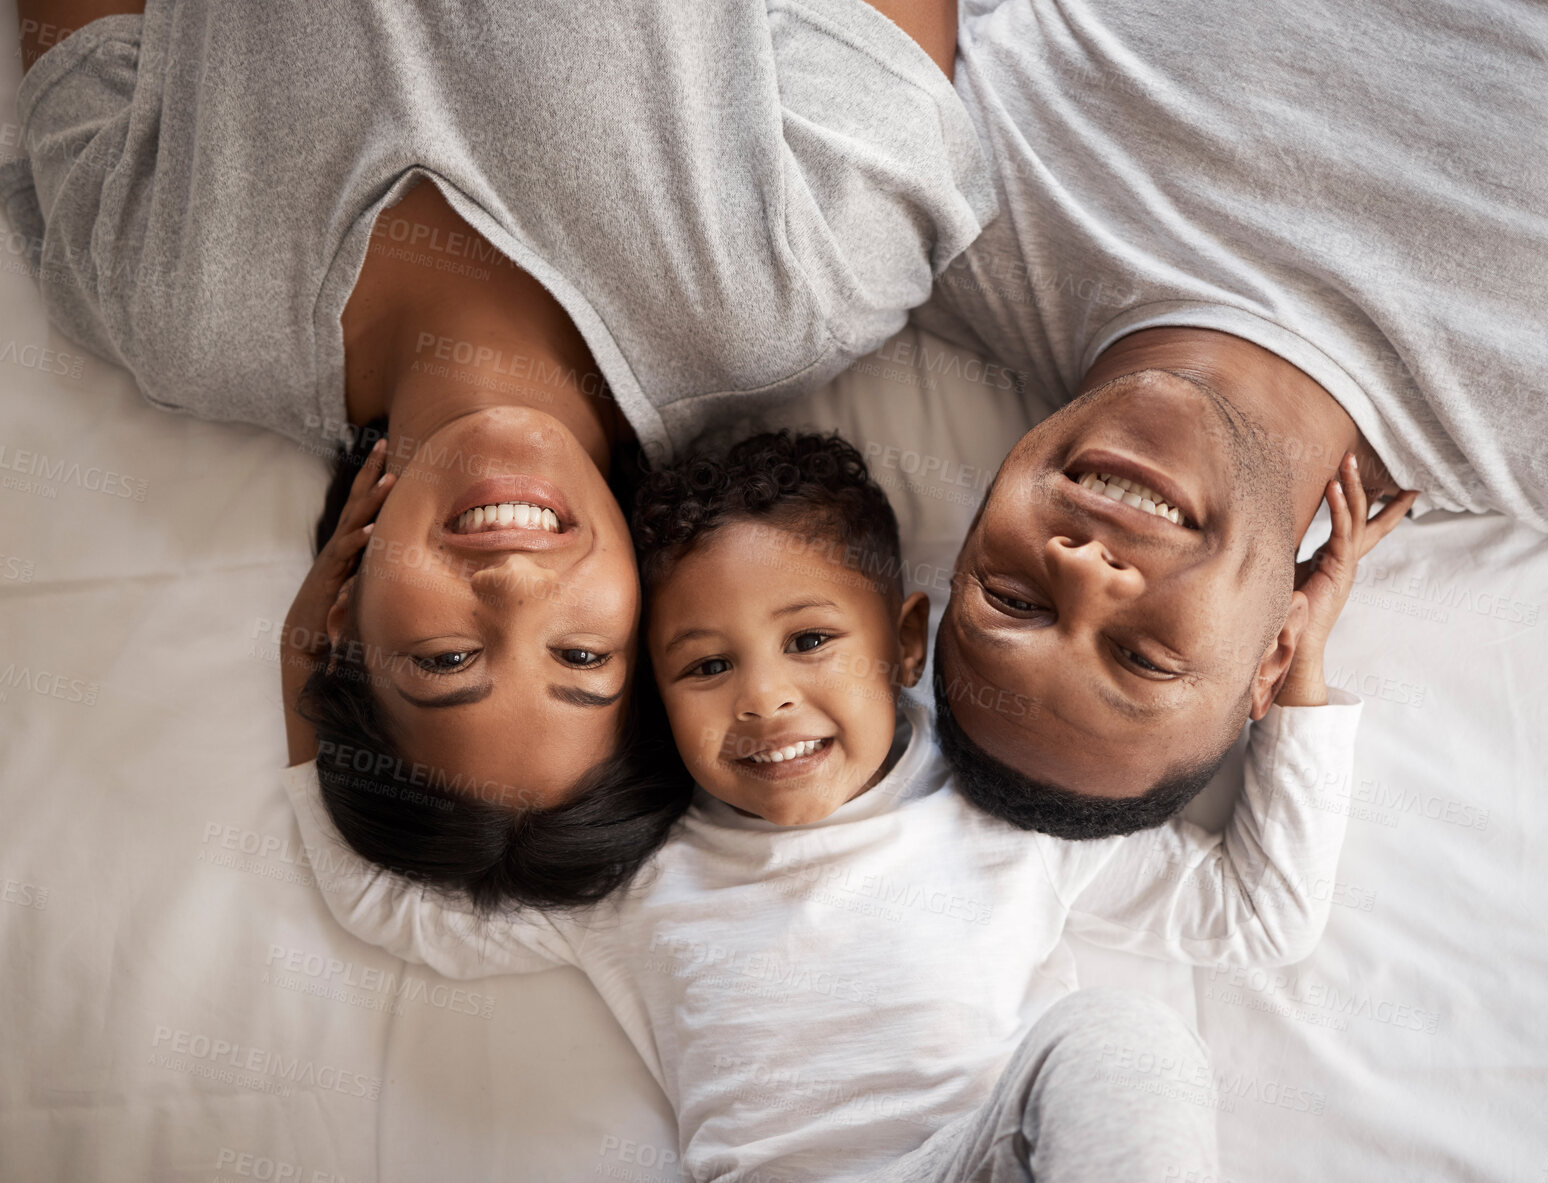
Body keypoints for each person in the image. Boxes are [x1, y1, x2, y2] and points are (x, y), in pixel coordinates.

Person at [4, 0, 994, 903]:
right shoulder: (811, 281)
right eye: (581, 653)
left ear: (341, 616)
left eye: (445, 658)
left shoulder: (161, 307)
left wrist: (297, 694)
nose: (516, 588)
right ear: (653, 617)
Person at [280, 429, 1391, 1181]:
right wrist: (304, 668)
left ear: (903, 642)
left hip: (970, 1156)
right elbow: (388, 910)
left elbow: (1258, 915)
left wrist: (1294, 661)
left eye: (810, 641)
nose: (764, 698)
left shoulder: (1001, 812)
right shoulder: (633, 869)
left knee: (1116, 1037)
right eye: (703, 667)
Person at [918, 0, 1548, 828]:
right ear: (1277, 650)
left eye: (1012, 599)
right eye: (1141, 656)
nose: (1085, 572)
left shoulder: (946, 213)